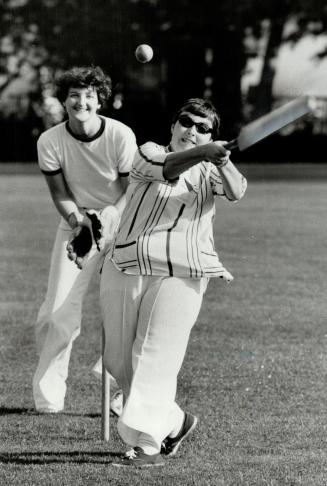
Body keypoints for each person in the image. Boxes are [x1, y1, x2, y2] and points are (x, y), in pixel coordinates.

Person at [99, 98, 247, 467]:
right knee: (119, 362)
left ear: (211, 135)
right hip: (125, 263)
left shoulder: (211, 170)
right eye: (186, 122)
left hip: (183, 272)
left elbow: (236, 190)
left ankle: (147, 446)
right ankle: (175, 421)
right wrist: (204, 151)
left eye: (202, 127)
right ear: (173, 125)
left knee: (153, 356)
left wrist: (223, 160)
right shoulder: (148, 152)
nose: (191, 130)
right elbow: (166, 169)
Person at [33, 65, 137, 414]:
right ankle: (49, 398)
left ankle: (124, 392)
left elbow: (132, 189)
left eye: (89, 96)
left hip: (122, 223)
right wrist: (80, 222)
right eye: (74, 96)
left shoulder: (121, 135)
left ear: (100, 100)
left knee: (130, 312)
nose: (81, 102)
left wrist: (110, 217)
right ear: (64, 100)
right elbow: (60, 194)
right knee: (55, 313)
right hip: (78, 224)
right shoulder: (50, 141)